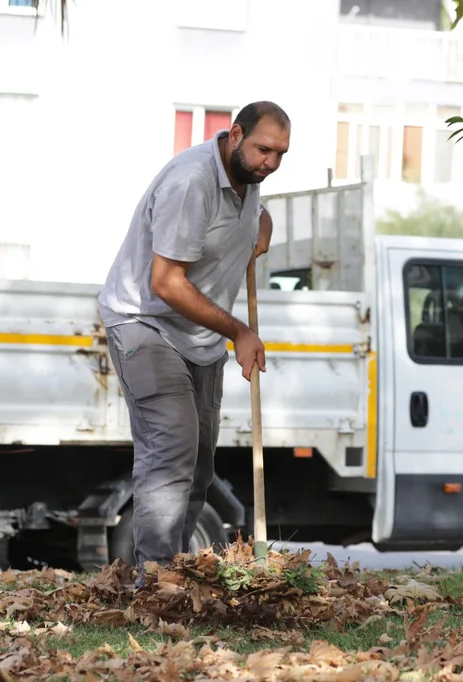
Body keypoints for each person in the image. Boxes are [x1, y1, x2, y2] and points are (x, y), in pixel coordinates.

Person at [97, 101, 290, 574]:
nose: (271, 162)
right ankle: (157, 580)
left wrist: (261, 225)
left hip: (199, 339)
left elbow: (250, 215)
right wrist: (240, 331)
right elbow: (166, 282)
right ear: (235, 134)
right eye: (264, 149)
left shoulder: (247, 181)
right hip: (145, 323)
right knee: (173, 447)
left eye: (281, 154)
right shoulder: (191, 181)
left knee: (200, 469)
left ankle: (177, 573)